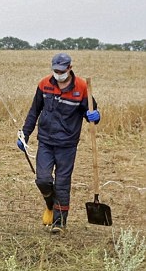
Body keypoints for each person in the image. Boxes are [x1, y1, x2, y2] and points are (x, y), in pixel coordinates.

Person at [17, 52, 100, 233]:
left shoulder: (82, 87)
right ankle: (50, 203)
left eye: (61, 70)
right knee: (43, 179)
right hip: (46, 141)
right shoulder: (44, 84)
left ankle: (59, 224)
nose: (58, 73)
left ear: (69, 68)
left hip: (67, 144)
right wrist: (25, 134)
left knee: (62, 183)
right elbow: (34, 111)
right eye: (55, 70)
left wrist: (94, 116)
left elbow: (91, 113)